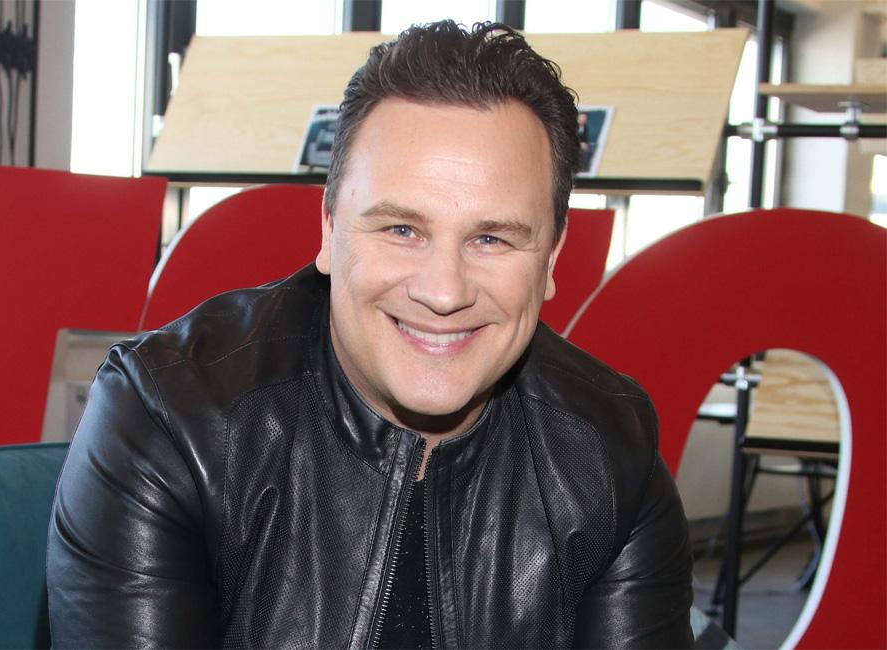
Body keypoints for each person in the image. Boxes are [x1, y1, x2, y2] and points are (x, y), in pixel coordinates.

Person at [47, 20, 693, 649]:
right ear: (329, 230)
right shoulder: (170, 415)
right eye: (401, 230)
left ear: (550, 259)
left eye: (492, 239)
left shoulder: (612, 448)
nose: (444, 292)